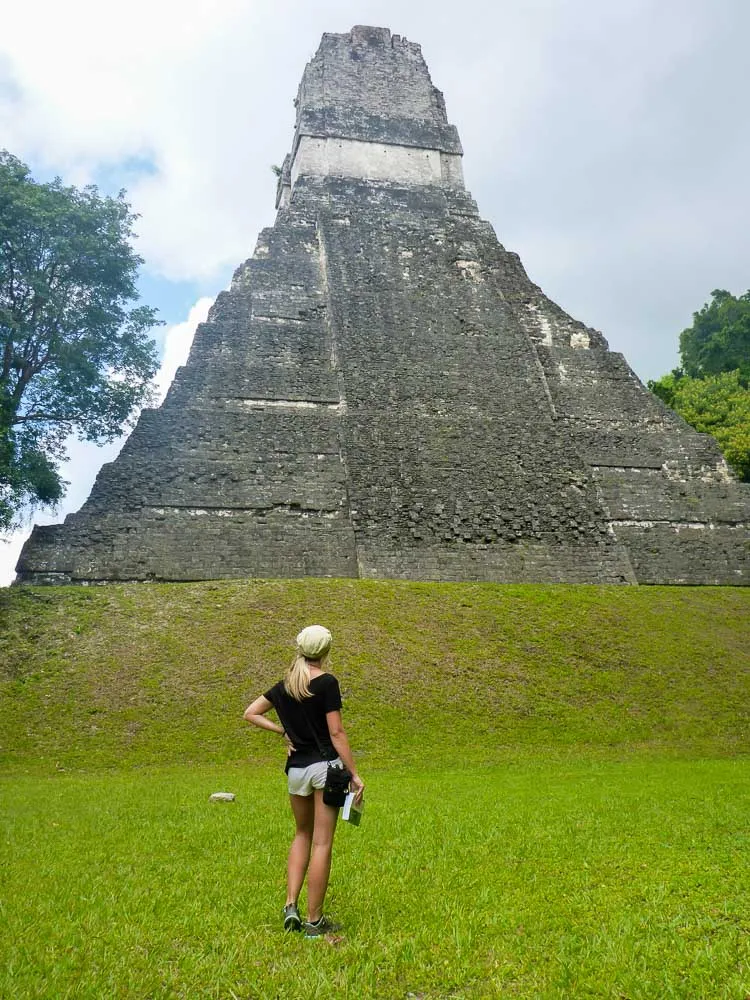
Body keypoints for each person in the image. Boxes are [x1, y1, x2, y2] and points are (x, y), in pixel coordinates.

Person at [243, 624, 364, 937]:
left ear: (300, 649)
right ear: (325, 652)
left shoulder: (285, 685)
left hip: (295, 770)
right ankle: (314, 922)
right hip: (326, 770)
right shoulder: (326, 683)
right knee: (322, 843)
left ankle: (290, 905)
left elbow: (251, 713)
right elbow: (336, 732)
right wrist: (354, 773)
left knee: (301, 834)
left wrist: (282, 731)